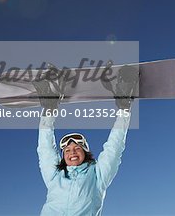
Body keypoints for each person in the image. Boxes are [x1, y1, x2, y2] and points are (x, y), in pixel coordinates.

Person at [34, 64, 137, 216]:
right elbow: (45, 148)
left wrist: (124, 110)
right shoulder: (55, 176)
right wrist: (49, 110)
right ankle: (52, 99)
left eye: (77, 148)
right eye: (67, 150)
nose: (72, 152)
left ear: (85, 151)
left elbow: (114, 148)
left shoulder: (97, 175)